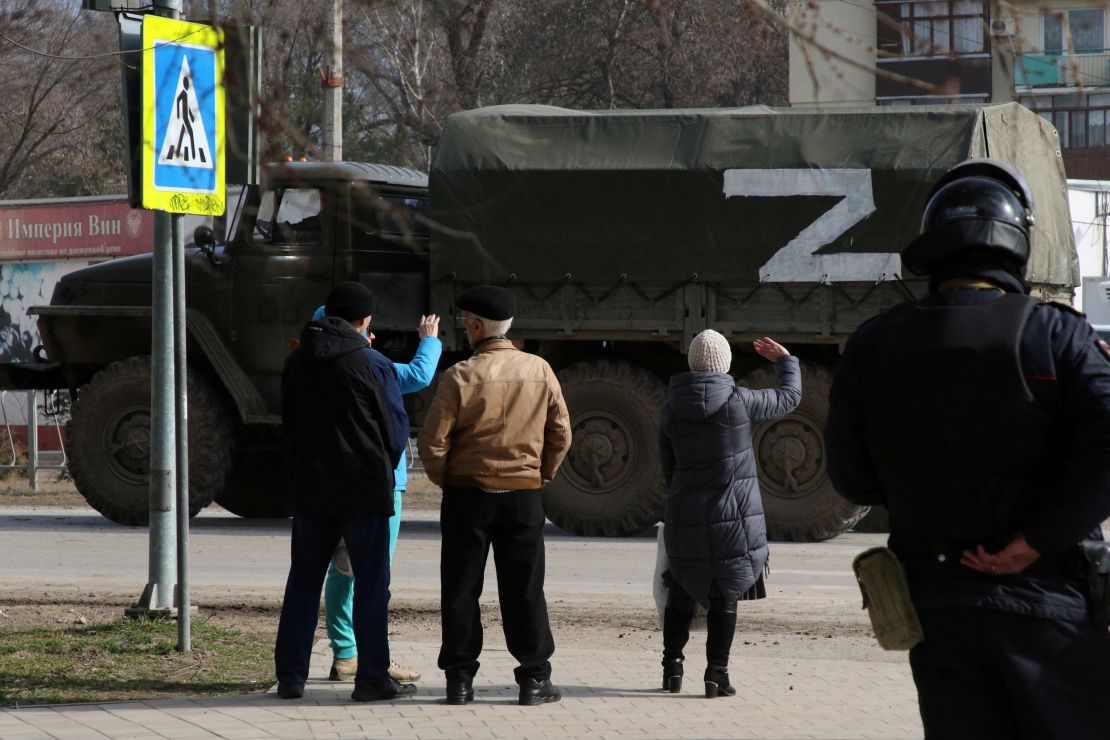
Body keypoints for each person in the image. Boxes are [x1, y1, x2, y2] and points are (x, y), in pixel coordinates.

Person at [826, 158, 1110, 738]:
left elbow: (853, 478)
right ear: (1017, 244)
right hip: (1048, 599)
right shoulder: (1057, 335)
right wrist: (1032, 543)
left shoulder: (873, 345)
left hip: (937, 604)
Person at [417, 284, 571, 707]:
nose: (464, 328)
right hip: (523, 496)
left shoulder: (460, 376)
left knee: (461, 588)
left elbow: (433, 444)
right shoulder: (540, 371)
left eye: (466, 322)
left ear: (479, 326)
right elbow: (561, 434)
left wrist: (450, 479)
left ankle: (460, 680)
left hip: (469, 496)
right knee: (524, 589)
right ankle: (535, 678)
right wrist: (540, 476)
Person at [274, 281, 415, 703]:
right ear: (365, 320)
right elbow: (395, 431)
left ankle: (290, 677)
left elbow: (290, 426)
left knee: (303, 583)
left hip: (312, 491)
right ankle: (372, 678)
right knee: (372, 586)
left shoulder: (296, 362)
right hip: (364, 492)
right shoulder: (372, 364)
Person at [658, 329, 800, 698]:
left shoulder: (671, 405)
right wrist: (785, 361)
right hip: (734, 513)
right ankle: (715, 674)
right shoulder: (739, 400)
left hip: (685, 508)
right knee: (725, 592)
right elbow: (789, 397)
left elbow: (667, 465)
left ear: (691, 362)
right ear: (726, 364)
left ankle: (671, 669)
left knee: (681, 585)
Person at [317, 309, 442, 685]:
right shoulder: (370, 365)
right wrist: (430, 339)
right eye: (365, 329)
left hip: (333, 482)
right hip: (381, 485)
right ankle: (376, 658)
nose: (370, 338)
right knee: (373, 577)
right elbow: (419, 376)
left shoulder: (315, 368)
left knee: (341, 571)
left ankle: (345, 653)